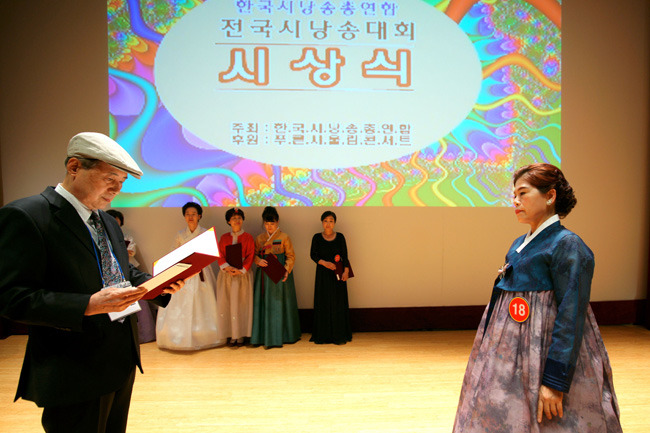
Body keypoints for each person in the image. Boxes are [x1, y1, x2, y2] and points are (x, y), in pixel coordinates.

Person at [0, 132, 186, 433]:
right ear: (74, 167)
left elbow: (121, 273)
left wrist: (157, 285)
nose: (117, 189)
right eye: (110, 178)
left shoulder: (107, 220)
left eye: (122, 181)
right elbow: (11, 297)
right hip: (73, 368)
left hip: (120, 362)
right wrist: (86, 305)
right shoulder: (28, 216)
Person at [453, 163, 622, 432]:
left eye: (523, 193)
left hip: (545, 354)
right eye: (514, 195)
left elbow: (571, 313)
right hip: (510, 358)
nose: (515, 201)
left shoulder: (567, 244)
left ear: (550, 196)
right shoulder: (519, 243)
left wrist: (555, 381)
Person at [156, 202, 221, 350]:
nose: (190, 217)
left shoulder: (205, 233)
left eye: (193, 214)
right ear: (184, 217)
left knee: (203, 302)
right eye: (187, 214)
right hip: (184, 272)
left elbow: (212, 252)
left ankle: (205, 336)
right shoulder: (180, 234)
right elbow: (173, 252)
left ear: (199, 216)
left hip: (201, 271)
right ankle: (179, 336)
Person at [250, 206, 301, 348]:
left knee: (281, 303)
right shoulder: (260, 238)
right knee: (264, 304)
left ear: (277, 222)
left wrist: (286, 270)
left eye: (272, 223)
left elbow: (291, 256)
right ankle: (263, 336)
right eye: (266, 223)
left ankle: (286, 335)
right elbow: (254, 254)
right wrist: (258, 261)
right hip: (264, 275)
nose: (269, 226)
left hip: (280, 274)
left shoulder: (284, 237)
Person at [106, 209, 157, 344]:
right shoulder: (102, 238)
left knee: (139, 306)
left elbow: (131, 252)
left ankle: (143, 335)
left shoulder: (126, 237)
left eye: (117, 223)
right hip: (111, 277)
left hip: (128, 272)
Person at [309, 211, 352, 344]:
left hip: (338, 274)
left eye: (331, 221)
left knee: (338, 302)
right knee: (323, 302)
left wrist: (346, 271)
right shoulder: (316, 237)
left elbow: (345, 255)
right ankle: (323, 335)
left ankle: (339, 334)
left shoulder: (340, 237)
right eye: (326, 221)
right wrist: (325, 263)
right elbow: (313, 255)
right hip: (322, 275)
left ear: (334, 223)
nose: (328, 223)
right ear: (322, 222)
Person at [216, 208, 255, 346]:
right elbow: (220, 254)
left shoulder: (248, 237)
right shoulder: (224, 238)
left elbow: (250, 255)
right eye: (233, 218)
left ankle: (241, 335)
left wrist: (242, 270)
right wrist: (227, 267)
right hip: (227, 275)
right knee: (228, 304)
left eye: (239, 218)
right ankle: (231, 335)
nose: (236, 221)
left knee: (242, 304)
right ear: (228, 221)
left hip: (242, 276)